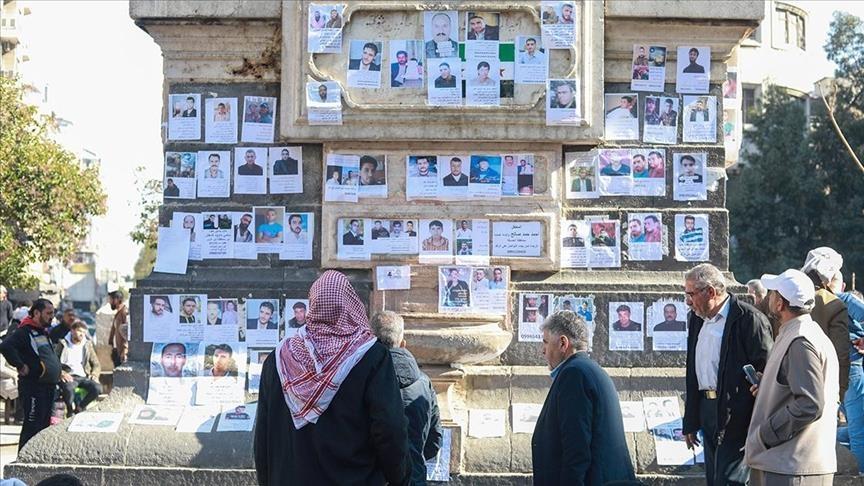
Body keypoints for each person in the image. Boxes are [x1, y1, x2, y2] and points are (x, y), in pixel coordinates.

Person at [254, 271, 410, 485]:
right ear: (350, 304)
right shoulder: (370, 356)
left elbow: (263, 434)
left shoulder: (279, 358)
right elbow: (389, 428)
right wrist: (399, 478)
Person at [745, 269, 838, 486]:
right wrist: (769, 388)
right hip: (789, 463)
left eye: (773, 293)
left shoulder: (800, 341)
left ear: (780, 304)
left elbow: (810, 404)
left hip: (791, 466)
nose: (769, 296)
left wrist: (765, 436)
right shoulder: (804, 334)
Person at [682, 263, 772, 486]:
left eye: (691, 294)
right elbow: (693, 372)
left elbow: (768, 369)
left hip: (736, 415)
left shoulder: (748, 319)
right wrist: (691, 420)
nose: (687, 301)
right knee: (714, 479)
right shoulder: (696, 319)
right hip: (707, 410)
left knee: (729, 480)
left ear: (710, 292)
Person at [533, 311, 635, 485]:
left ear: (563, 343)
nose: (542, 350)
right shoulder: (591, 370)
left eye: (545, 342)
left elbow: (576, 447)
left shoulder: (574, 374)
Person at [369, 311, 442, 485]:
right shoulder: (424, 383)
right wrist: (412, 457)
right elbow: (435, 439)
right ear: (403, 343)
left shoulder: (362, 380)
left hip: (373, 477)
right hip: (413, 476)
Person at [0, 299, 61, 450]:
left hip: (48, 386)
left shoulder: (42, 332)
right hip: (33, 387)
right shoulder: (24, 331)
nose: (51, 316)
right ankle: (23, 460)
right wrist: (20, 365)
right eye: (48, 313)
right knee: (32, 424)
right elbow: (6, 346)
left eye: (53, 313)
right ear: (36, 313)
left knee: (44, 425)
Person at [801, 246, 850, 402]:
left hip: (784, 384)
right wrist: (839, 394)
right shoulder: (832, 303)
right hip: (821, 386)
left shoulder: (782, 294)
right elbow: (841, 354)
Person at [56, 321, 101, 416]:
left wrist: (94, 374)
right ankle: (70, 411)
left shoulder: (87, 345)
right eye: (79, 331)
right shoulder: (63, 344)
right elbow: (54, 362)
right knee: (68, 389)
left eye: (84, 332)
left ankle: (79, 408)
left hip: (83, 376)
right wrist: (61, 373)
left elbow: (96, 364)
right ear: (72, 331)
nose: (82, 334)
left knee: (97, 388)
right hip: (69, 376)